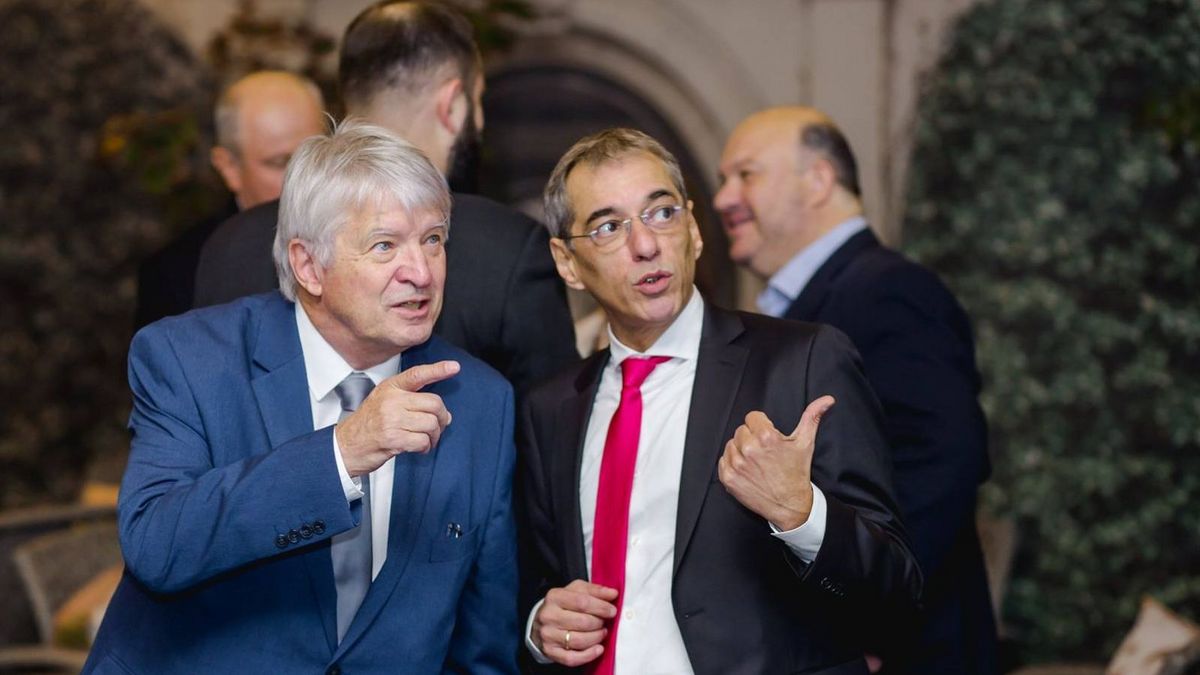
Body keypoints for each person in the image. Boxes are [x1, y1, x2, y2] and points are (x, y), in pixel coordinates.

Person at [85, 121, 518, 674]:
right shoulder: (190, 359)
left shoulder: (479, 399)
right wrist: (341, 454)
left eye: (432, 240)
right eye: (385, 245)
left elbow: (482, 645)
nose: (421, 272)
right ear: (308, 265)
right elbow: (157, 545)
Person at [517, 128, 921, 675]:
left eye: (662, 213)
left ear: (693, 229)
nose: (645, 245)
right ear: (567, 262)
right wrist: (541, 625)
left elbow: (897, 585)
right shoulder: (549, 409)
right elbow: (534, 580)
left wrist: (801, 514)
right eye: (609, 227)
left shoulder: (800, 362)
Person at [715, 106, 996, 674]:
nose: (723, 199)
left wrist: (869, 624)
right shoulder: (811, 302)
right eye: (724, 180)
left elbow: (943, 462)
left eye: (746, 174)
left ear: (818, 180)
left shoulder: (889, 290)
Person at [194, 0, 577, 394]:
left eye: (433, 239)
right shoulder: (508, 250)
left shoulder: (230, 245)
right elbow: (550, 420)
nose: (419, 272)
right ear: (452, 105)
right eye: (477, 101)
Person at [134, 71, 325, 328]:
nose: (303, 176)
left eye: (315, 156)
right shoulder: (178, 276)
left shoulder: (358, 237)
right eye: (280, 162)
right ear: (229, 168)